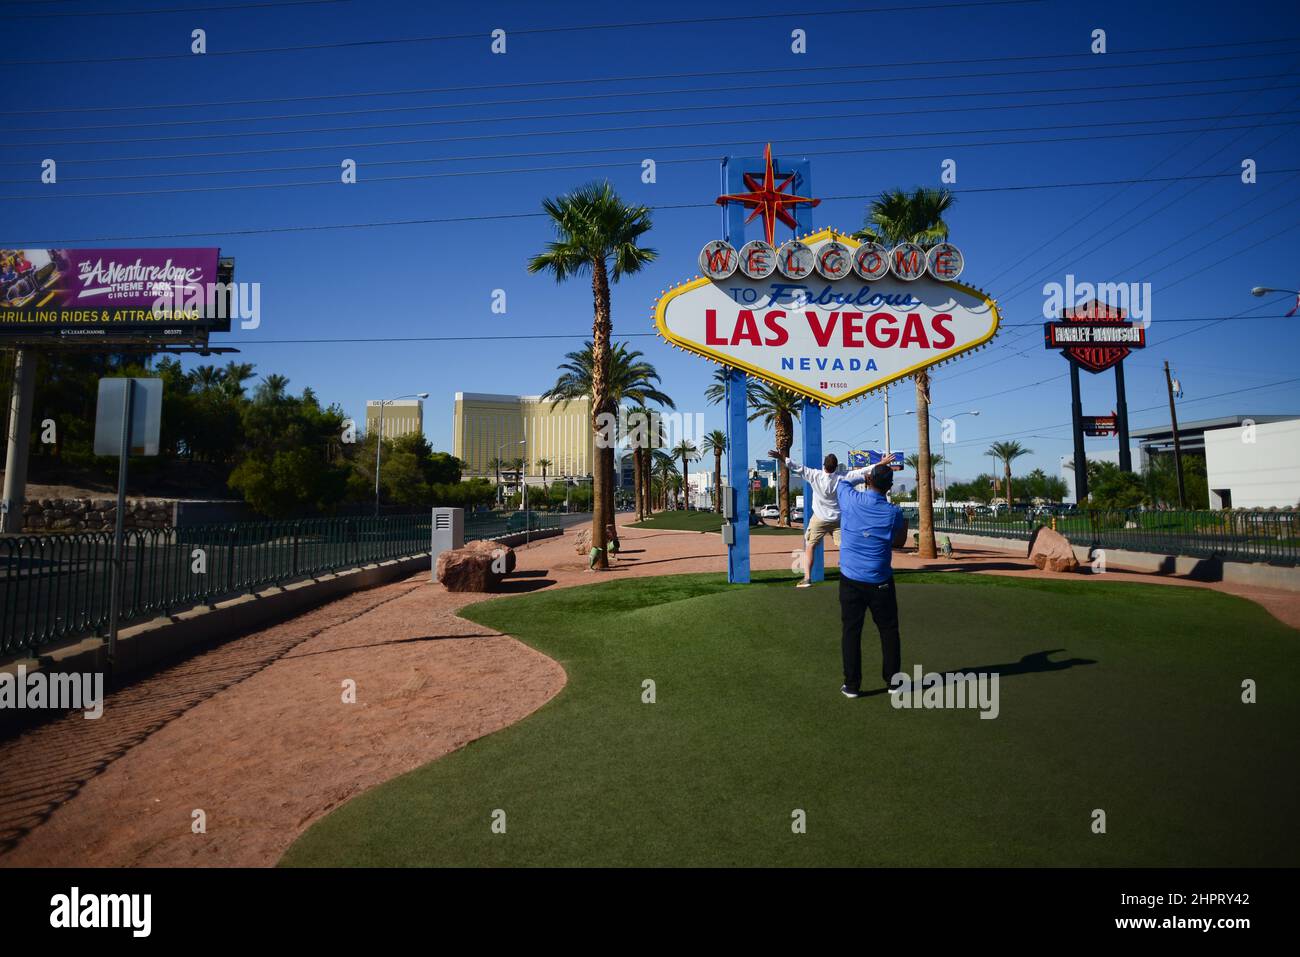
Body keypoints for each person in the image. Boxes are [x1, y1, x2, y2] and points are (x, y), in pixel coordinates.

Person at [836, 463, 909, 698]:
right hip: (880, 581)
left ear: (869, 479)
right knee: (888, 630)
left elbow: (842, 480)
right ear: (889, 486)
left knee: (851, 631)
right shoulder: (893, 512)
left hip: (851, 579)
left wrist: (862, 475)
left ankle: (852, 685)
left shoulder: (850, 499)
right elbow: (899, 540)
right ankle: (893, 682)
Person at [768, 448, 868, 587]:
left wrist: (781, 457)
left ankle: (807, 578)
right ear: (836, 467)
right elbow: (862, 472)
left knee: (810, 546)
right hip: (838, 519)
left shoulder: (815, 475)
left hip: (819, 519)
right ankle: (854, 577)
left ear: (824, 465)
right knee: (845, 548)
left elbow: (797, 467)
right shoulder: (843, 477)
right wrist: (881, 463)